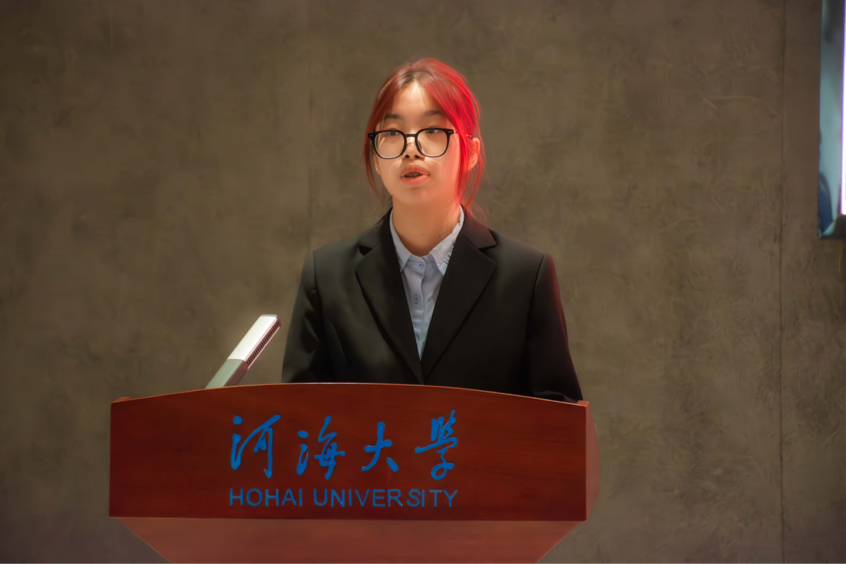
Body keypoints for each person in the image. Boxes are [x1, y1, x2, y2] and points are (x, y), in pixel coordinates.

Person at [281, 58, 582, 403]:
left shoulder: (525, 277)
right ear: (376, 158)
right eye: (392, 133)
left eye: (433, 131)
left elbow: (559, 421)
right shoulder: (327, 276)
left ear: (470, 152)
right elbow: (297, 418)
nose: (411, 148)